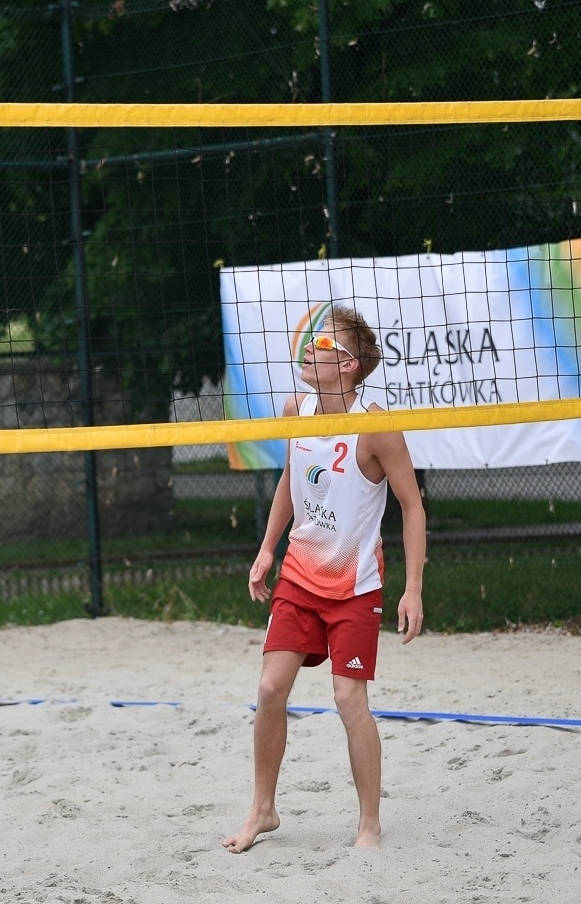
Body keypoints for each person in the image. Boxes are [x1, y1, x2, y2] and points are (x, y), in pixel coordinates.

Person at [222, 305, 426, 853]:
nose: (310, 350)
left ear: (351, 365)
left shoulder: (375, 427)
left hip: (355, 585)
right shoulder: (297, 408)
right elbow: (292, 476)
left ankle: (369, 826)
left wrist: (412, 588)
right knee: (268, 688)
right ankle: (263, 810)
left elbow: (412, 506)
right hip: (299, 575)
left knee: (348, 698)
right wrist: (267, 548)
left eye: (325, 346)